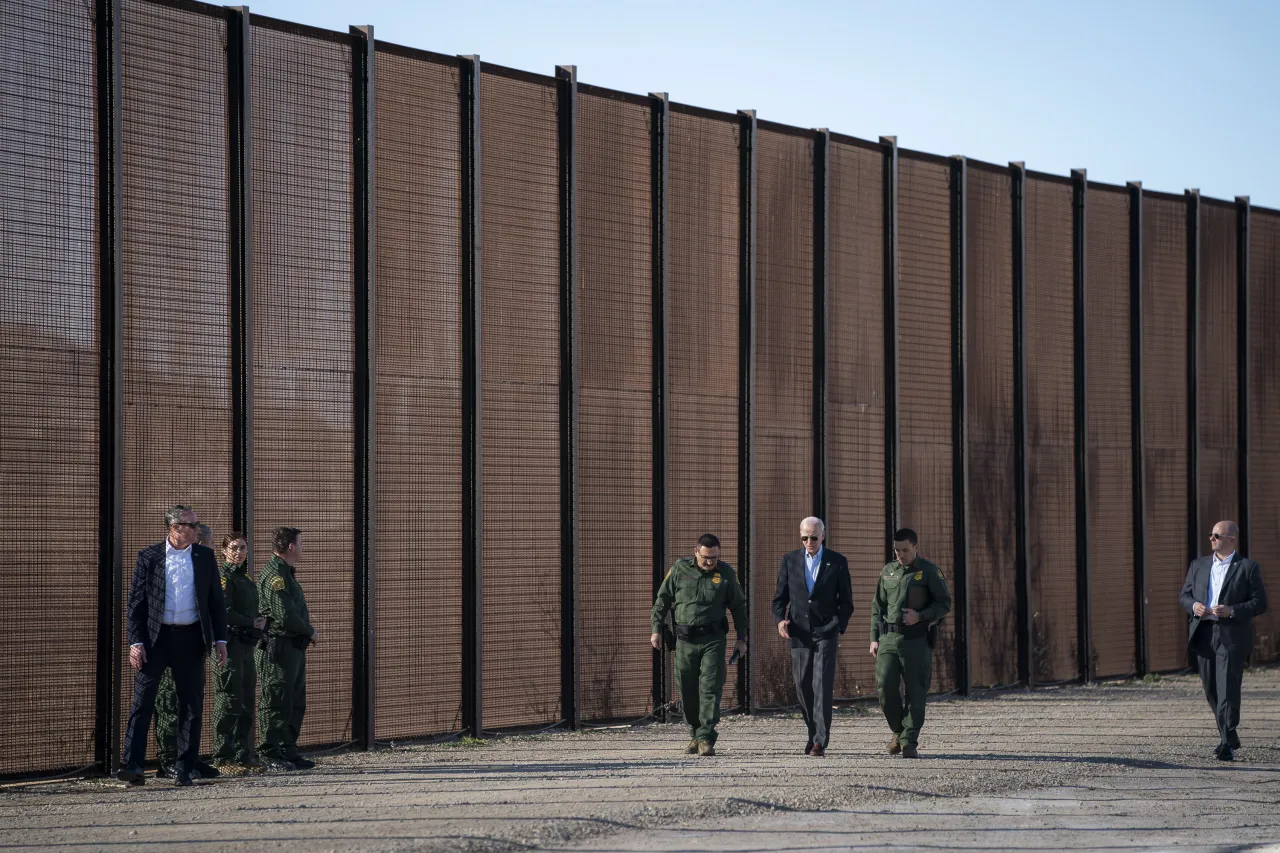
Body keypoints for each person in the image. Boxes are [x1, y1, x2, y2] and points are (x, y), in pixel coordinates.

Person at [117, 506, 228, 787]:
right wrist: (136, 642)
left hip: (191, 639)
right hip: (156, 640)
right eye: (190, 525)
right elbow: (136, 604)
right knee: (142, 702)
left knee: (191, 705)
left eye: (196, 524)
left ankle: (184, 768)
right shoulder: (149, 557)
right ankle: (133, 766)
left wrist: (220, 640)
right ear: (173, 527)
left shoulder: (204, 556)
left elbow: (216, 601)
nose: (196, 529)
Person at [650, 534, 748, 757]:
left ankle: (706, 737)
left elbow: (739, 607)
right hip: (685, 640)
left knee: (710, 687)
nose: (710, 562)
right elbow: (662, 600)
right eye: (706, 557)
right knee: (687, 688)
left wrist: (742, 639)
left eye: (714, 557)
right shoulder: (679, 569)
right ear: (696, 552)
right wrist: (656, 629)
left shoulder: (726, 573)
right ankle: (694, 733)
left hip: (713, 639)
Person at [1179, 520, 1268, 760]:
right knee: (1211, 689)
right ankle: (1228, 733)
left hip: (1231, 636)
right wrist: (1194, 606)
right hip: (1204, 632)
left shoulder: (1248, 568)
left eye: (1216, 535)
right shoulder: (1198, 565)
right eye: (1211, 535)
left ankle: (1225, 743)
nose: (1211, 539)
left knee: (1228, 688)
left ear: (1230, 540)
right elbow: (1184, 596)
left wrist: (1232, 610)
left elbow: (1260, 603)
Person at [771, 517, 853, 757]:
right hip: (798, 632)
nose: (809, 542)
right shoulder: (789, 560)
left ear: (823, 536)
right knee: (803, 686)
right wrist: (779, 621)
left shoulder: (837, 562)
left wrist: (837, 626)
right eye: (805, 538)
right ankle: (811, 733)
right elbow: (779, 599)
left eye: (814, 537)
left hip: (825, 632)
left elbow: (846, 603)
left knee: (822, 685)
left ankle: (820, 740)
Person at [870, 528, 951, 759]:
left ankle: (909, 741)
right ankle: (899, 731)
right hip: (888, 639)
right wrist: (874, 638)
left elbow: (944, 603)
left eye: (905, 550)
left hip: (916, 640)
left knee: (916, 692)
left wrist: (921, 615)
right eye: (897, 550)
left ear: (916, 547)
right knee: (885, 687)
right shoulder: (888, 571)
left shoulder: (929, 571)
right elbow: (877, 607)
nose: (901, 555)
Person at [154, 524, 221, 780]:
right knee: (171, 704)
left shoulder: (204, 569)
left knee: (191, 705)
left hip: (194, 645)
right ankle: (169, 759)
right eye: (211, 545)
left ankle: (188, 757)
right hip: (173, 644)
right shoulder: (182, 569)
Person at [257, 526, 317, 771]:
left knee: (295, 699)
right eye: (301, 543)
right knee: (277, 698)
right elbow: (284, 614)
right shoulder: (275, 575)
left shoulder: (287, 573)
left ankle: (288, 749)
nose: (303, 548)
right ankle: (270, 751)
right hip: (279, 646)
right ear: (291, 547)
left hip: (293, 647)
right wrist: (309, 631)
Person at [211, 532, 267, 774]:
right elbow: (224, 611)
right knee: (229, 700)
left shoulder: (244, 577)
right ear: (224, 551)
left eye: (243, 548)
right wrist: (250, 621)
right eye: (233, 548)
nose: (239, 552)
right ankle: (223, 758)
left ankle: (243, 755)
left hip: (247, 646)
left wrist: (261, 620)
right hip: (230, 645)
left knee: (245, 702)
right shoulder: (224, 577)